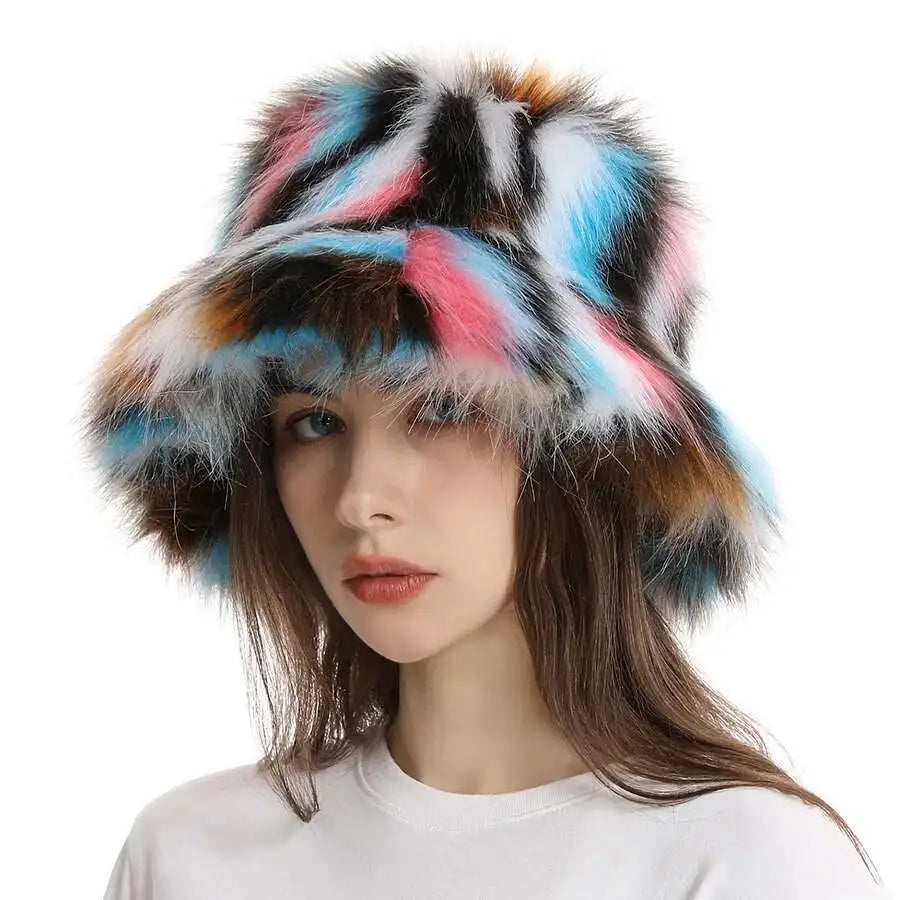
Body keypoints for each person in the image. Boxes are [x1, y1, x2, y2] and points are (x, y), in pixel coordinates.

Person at [80, 50, 891, 899]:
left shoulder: (744, 860)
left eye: (442, 407)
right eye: (313, 422)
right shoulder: (191, 854)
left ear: (587, 453)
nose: (361, 500)